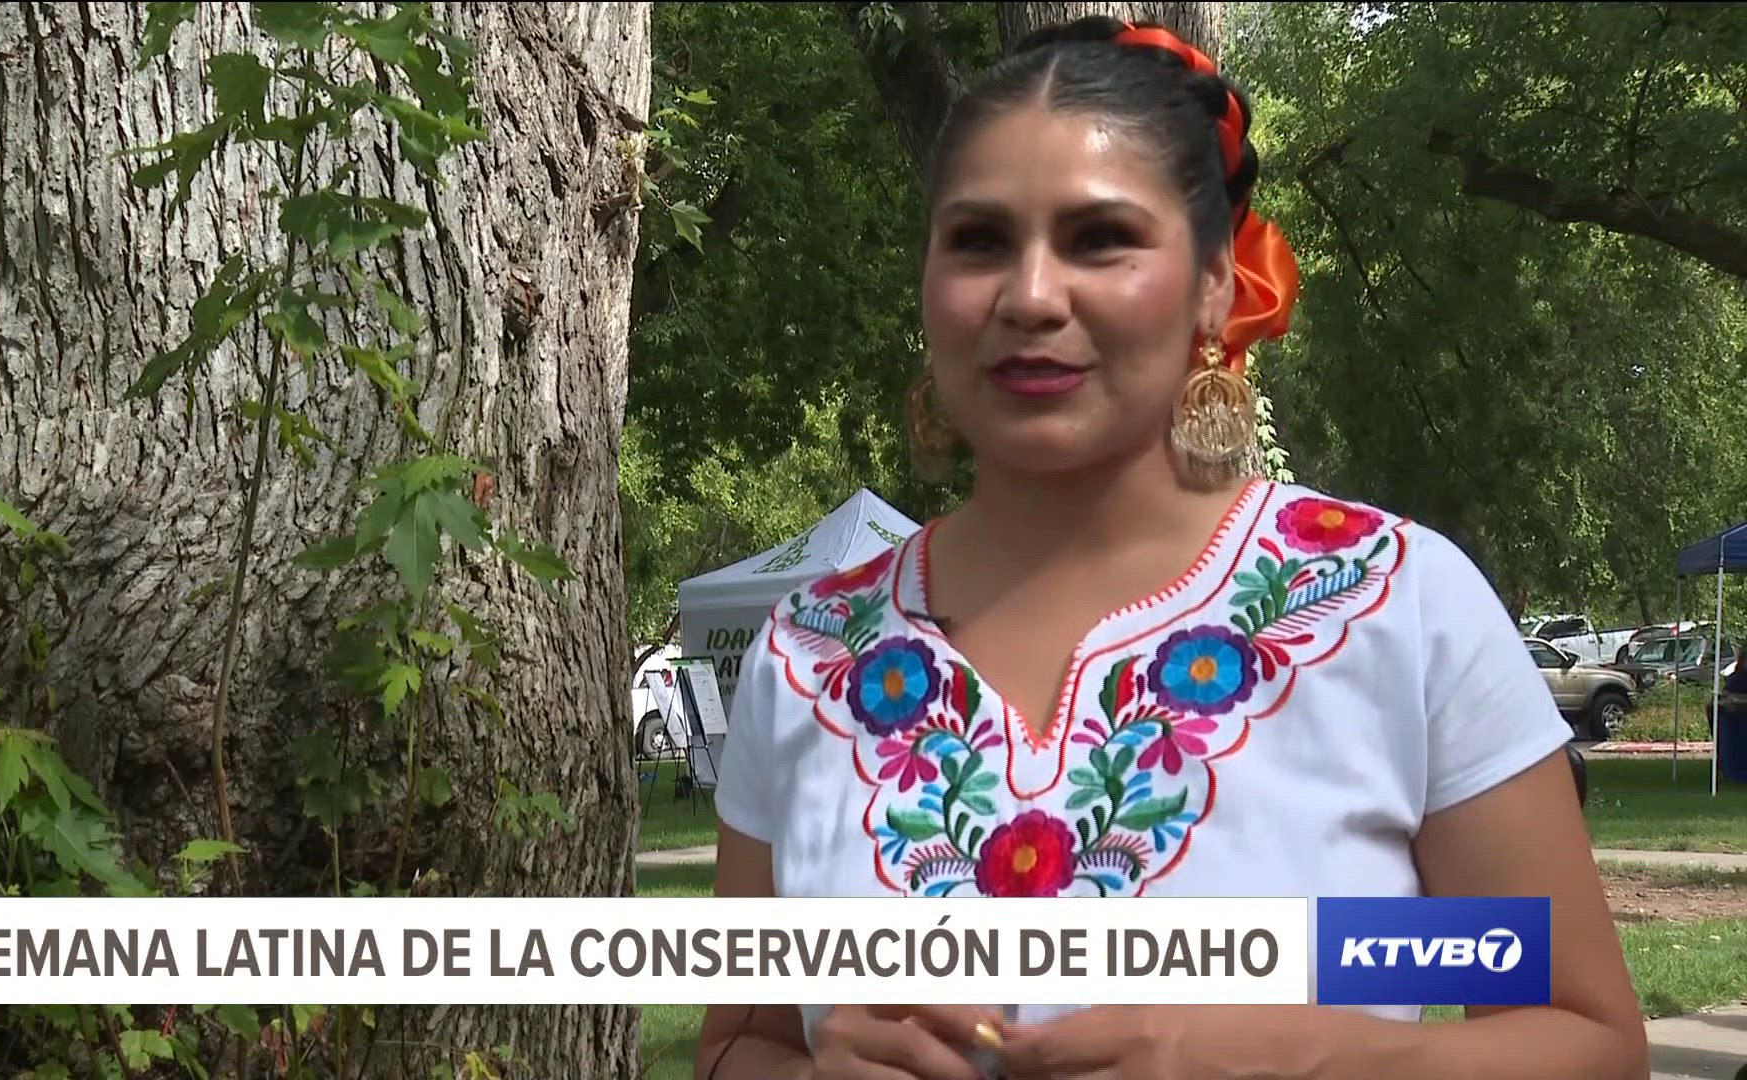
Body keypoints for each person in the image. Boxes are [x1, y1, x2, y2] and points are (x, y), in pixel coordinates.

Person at [695, 16, 1647, 1080]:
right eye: (978, 242)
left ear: (1213, 285)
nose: (1031, 296)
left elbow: (1589, 1042)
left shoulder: (1392, 603)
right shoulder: (812, 654)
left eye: (1101, 238)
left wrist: (1301, 1057)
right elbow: (741, 1041)